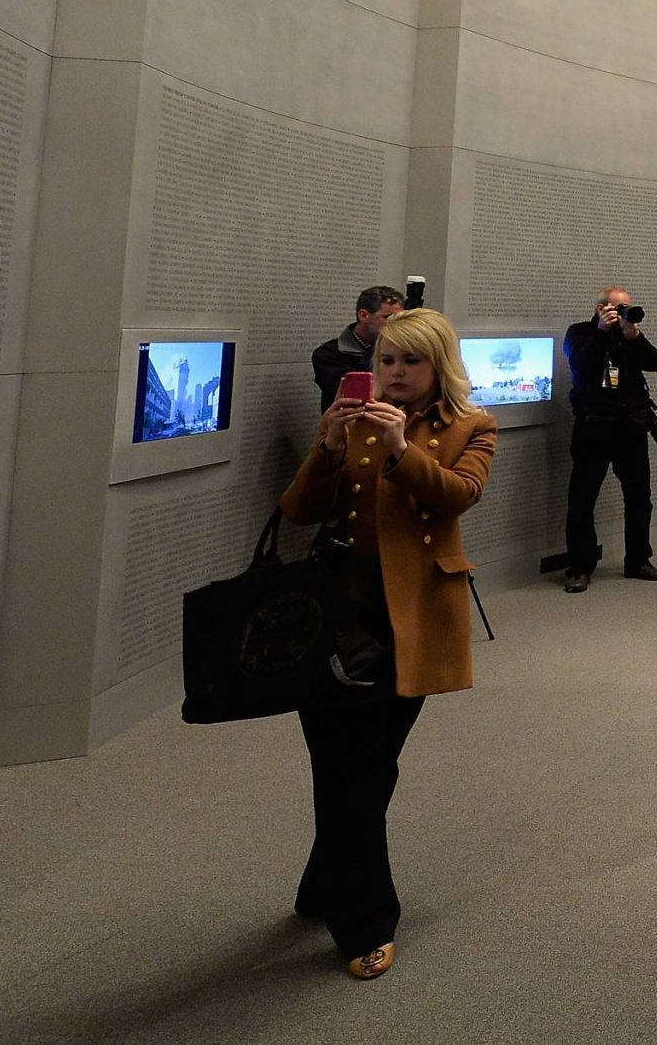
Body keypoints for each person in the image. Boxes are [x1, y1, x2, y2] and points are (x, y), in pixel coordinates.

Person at [279, 306, 494, 981]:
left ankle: (347, 901)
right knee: (339, 762)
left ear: (439, 365)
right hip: (332, 610)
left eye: (410, 362)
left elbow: (459, 496)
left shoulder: (472, 426)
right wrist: (329, 451)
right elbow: (297, 509)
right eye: (387, 362)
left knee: (367, 763)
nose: (395, 374)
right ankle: (351, 903)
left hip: (410, 615)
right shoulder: (344, 421)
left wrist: (402, 450)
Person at [563, 286, 657, 592]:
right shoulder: (580, 333)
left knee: (639, 498)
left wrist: (632, 334)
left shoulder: (629, 335)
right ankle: (580, 566)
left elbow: (655, 362)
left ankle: (638, 559)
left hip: (630, 429)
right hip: (593, 427)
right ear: (600, 308)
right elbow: (581, 365)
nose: (623, 314)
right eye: (618, 309)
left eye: (627, 309)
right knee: (582, 498)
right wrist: (601, 331)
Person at [311, 285, 402, 411]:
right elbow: (351, 393)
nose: (396, 325)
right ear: (364, 316)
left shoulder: (400, 351)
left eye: (399, 319)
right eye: (388, 318)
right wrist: (379, 347)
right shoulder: (328, 354)